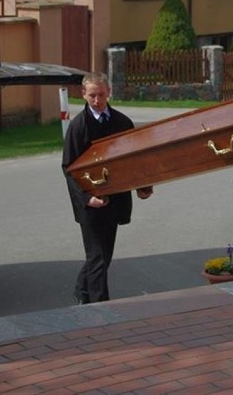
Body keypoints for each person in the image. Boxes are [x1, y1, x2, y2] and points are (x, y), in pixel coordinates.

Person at [62, 72, 153, 304]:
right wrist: (85, 197)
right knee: (97, 257)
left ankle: (82, 292)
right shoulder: (78, 126)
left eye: (101, 95)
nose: (96, 100)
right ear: (83, 94)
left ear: (109, 92)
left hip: (114, 201)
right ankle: (99, 306)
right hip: (90, 205)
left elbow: (135, 159)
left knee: (104, 257)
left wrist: (143, 186)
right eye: (92, 95)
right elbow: (68, 168)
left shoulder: (122, 122)